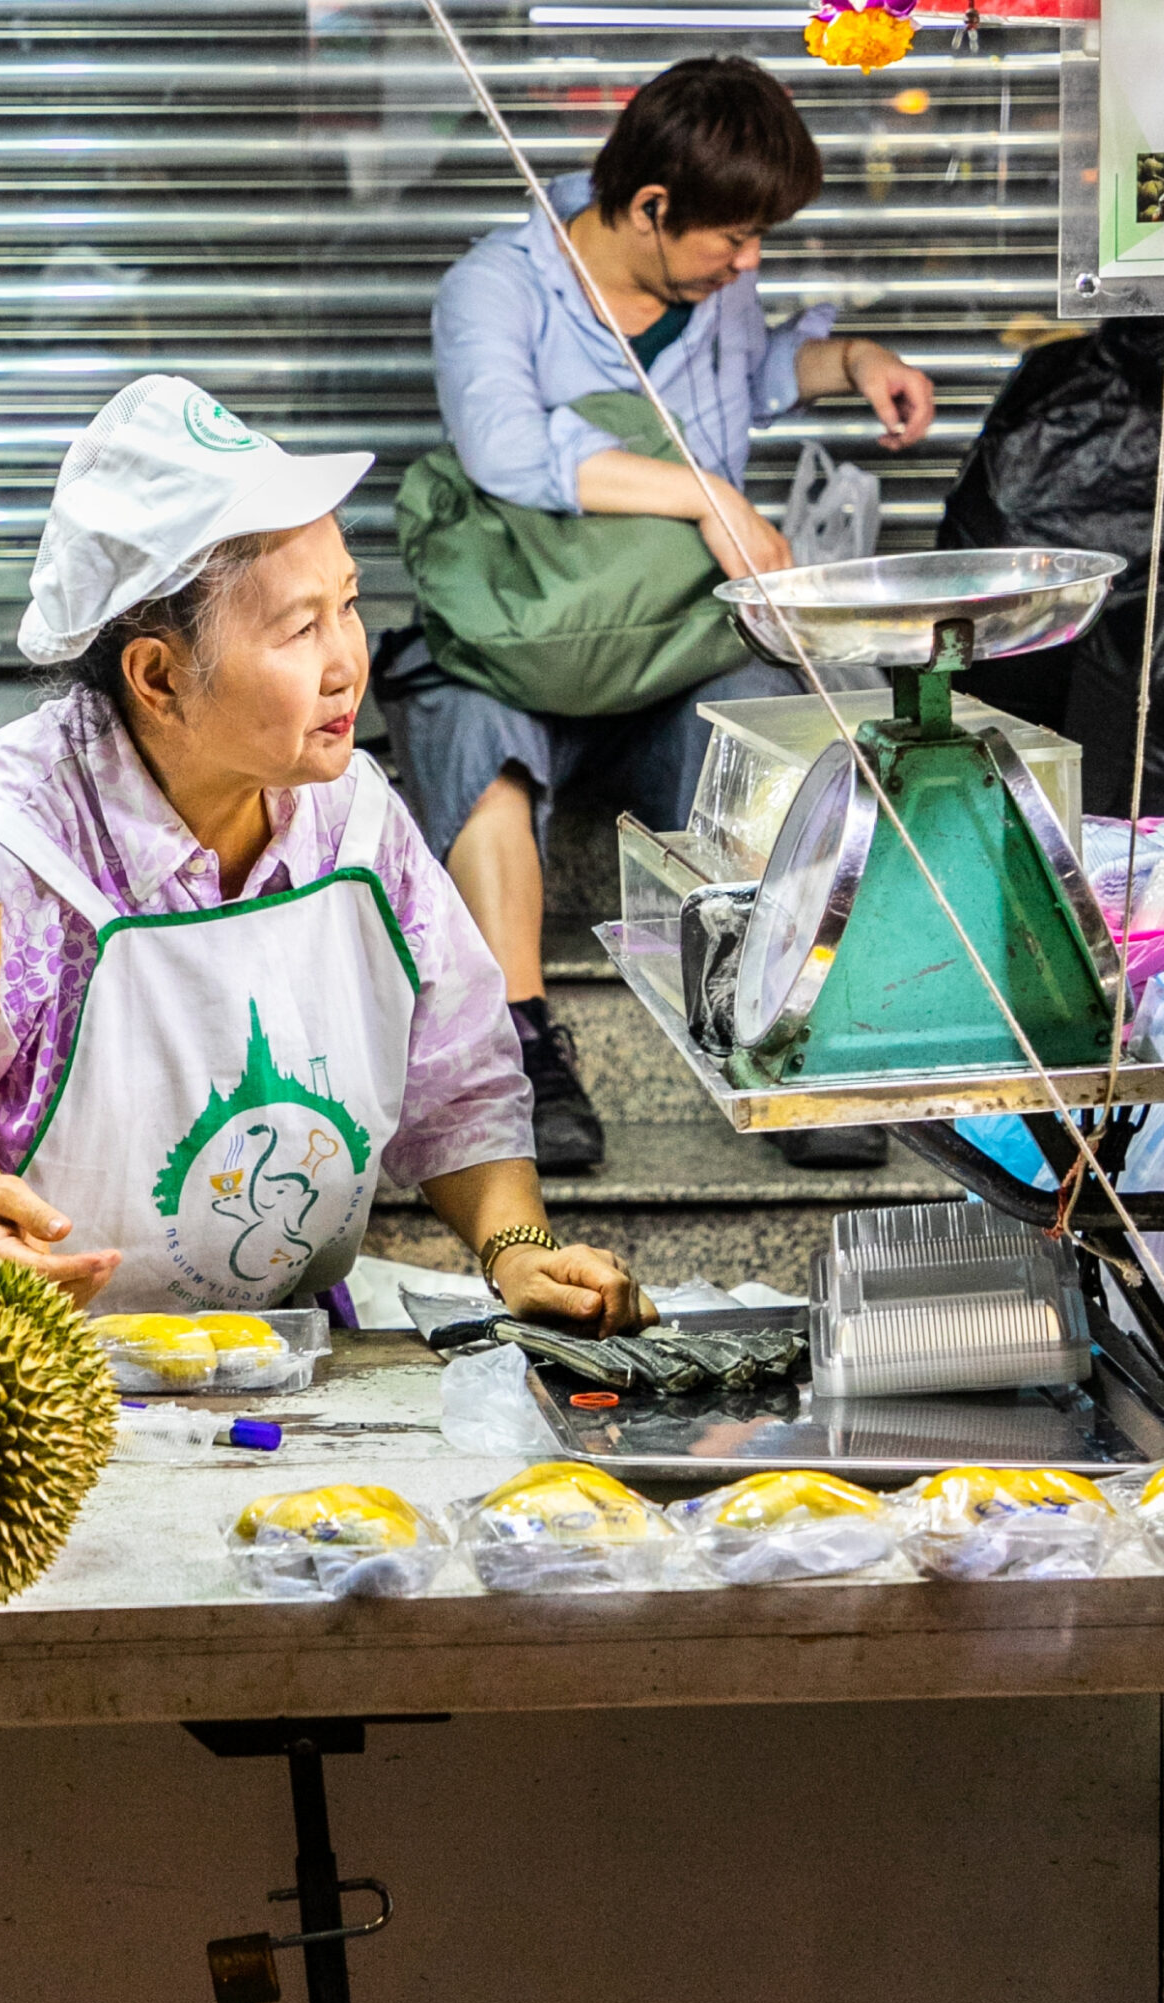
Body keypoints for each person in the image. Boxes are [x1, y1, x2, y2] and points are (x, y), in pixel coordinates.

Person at [0, 374, 653, 1335]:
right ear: (159, 676)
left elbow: (457, 1079)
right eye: (301, 628)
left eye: (346, 605)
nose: (348, 661)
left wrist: (518, 1252)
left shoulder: (354, 824)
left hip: (262, 1354)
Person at [377, 56, 938, 1170]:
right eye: (731, 238)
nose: (749, 261)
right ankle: (523, 1052)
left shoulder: (715, 297)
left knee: (775, 720)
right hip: (518, 637)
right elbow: (508, 450)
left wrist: (857, 359)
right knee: (472, 739)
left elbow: (763, 373)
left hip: (666, 650)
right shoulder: (496, 288)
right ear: (648, 208)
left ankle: (774, 1024)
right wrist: (703, 494)